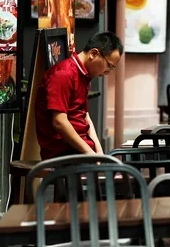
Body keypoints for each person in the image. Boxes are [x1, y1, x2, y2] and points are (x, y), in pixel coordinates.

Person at [35, 32, 123, 160]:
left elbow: (85, 116)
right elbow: (59, 122)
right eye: (109, 66)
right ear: (93, 54)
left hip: (80, 150)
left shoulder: (84, 76)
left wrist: (99, 152)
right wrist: (89, 153)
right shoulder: (63, 74)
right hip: (63, 152)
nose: (107, 72)